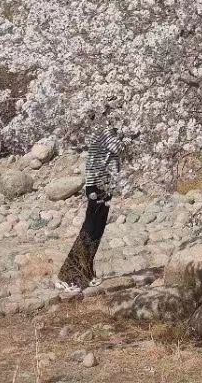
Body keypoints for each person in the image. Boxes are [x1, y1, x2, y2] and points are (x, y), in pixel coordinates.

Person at [54, 124, 123, 292]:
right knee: (90, 229)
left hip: (106, 185)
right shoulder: (103, 130)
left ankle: (87, 272)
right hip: (97, 186)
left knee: (97, 231)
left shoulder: (113, 130)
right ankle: (66, 275)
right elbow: (104, 153)